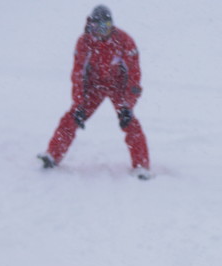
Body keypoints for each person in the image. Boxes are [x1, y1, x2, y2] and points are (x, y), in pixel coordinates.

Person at [38, 5, 151, 179]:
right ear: (91, 26)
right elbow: (78, 74)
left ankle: (141, 166)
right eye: (97, 27)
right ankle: (52, 155)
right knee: (72, 117)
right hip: (94, 86)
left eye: (105, 27)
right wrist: (79, 103)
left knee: (130, 123)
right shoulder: (84, 42)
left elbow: (134, 74)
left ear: (111, 26)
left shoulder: (124, 40)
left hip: (118, 86)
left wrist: (128, 104)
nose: (101, 32)